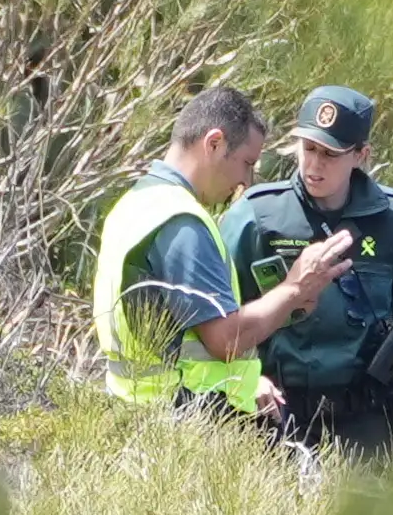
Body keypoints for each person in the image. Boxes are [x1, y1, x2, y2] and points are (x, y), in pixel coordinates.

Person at [223, 86, 393, 460]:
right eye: (308, 148)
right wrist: (245, 379)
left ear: (361, 155)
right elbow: (217, 315)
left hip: (367, 420)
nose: (314, 165)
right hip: (276, 411)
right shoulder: (258, 216)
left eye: (330, 154)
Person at [91, 85, 354, 415]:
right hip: (178, 418)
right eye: (246, 162)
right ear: (214, 144)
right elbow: (224, 340)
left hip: (134, 406)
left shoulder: (137, 202)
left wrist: (245, 382)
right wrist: (295, 287)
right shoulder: (182, 223)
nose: (246, 180)